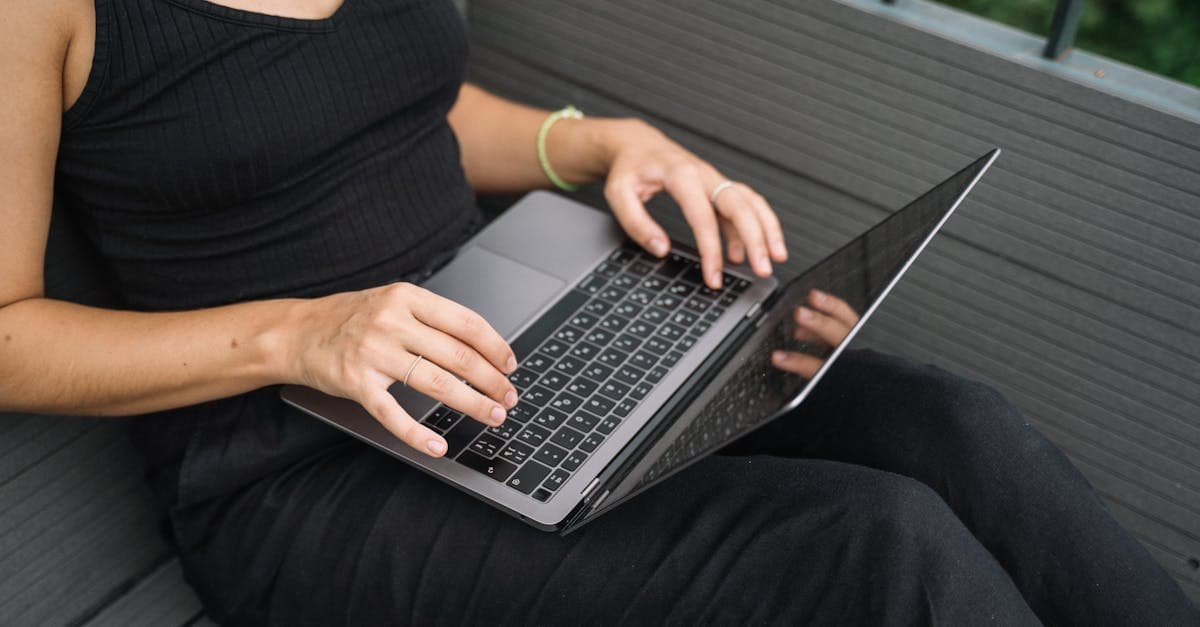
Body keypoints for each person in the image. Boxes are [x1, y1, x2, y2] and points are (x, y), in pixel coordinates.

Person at [2, 0, 1196, 624]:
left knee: (956, 428)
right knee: (876, 546)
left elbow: (386, 102)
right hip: (293, 466)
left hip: (512, 334)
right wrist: (301, 333)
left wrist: (591, 143)